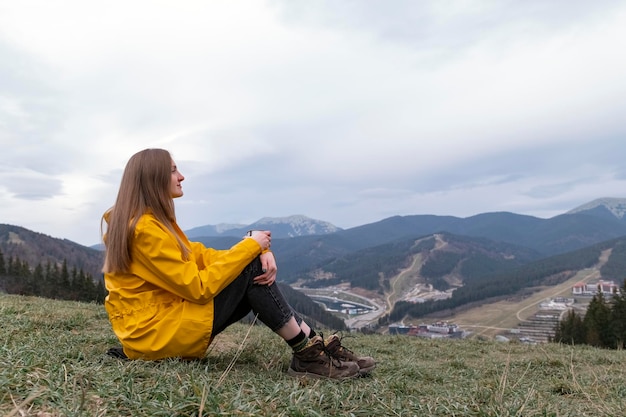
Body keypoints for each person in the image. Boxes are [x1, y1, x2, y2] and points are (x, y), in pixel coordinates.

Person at [101, 148, 375, 379]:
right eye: (173, 170)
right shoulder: (145, 231)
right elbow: (197, 287)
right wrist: (252, 249)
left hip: (157, 327)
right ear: (153, 178)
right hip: (155, 334)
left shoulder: (151, 224)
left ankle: (315, 347)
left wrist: (255, 247)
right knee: (250, 269)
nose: (181, 176)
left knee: (249, 265)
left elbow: (202, 255)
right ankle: (308, 353)